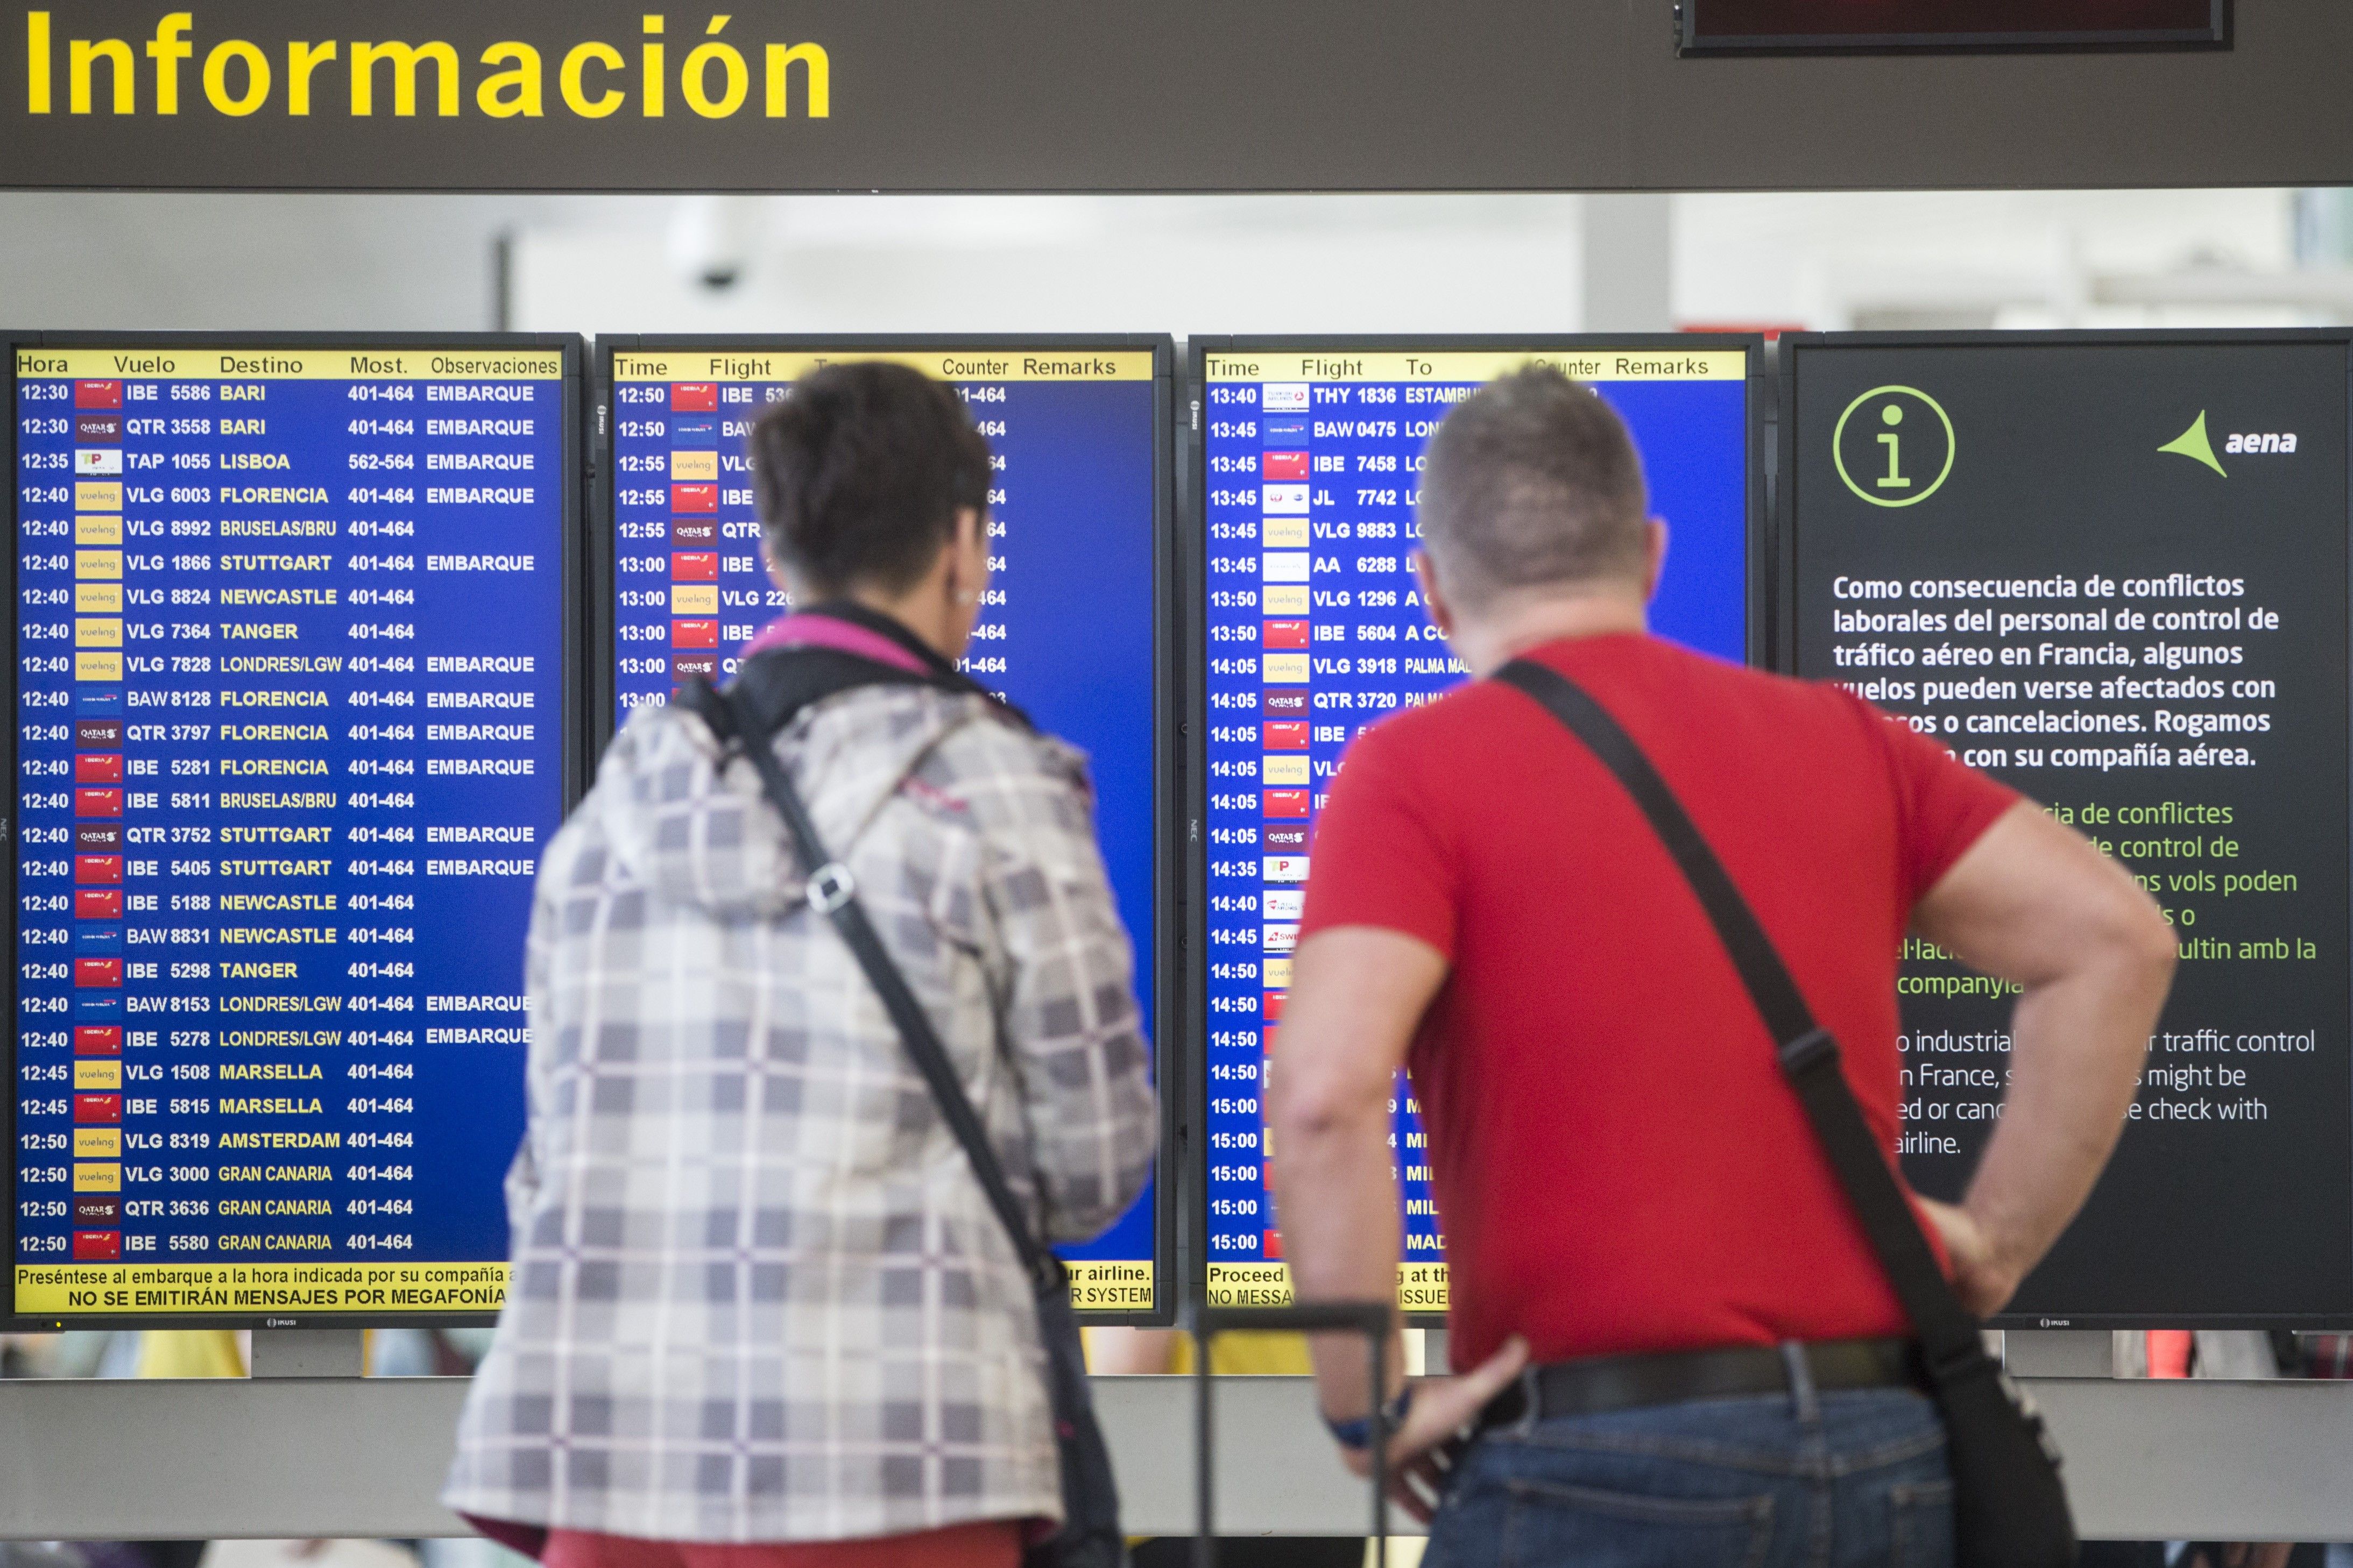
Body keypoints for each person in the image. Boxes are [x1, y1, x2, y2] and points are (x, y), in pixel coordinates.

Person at [1266, 366, 2178, 1567]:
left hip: (1598, 1468)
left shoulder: (1410, 775)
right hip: (1887, 1453)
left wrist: (1365, 1400)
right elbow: (2119, 939)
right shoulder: (1848, 741)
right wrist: (1996, 1245)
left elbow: (1324, 1096)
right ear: (1649, 556)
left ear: (1431, 591)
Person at [444, 361, 1158, 1568]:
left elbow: (548, 1167)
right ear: (966, 545)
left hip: (612, 1474)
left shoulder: (610, 814)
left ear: (778, 551)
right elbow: (1095, 1167)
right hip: (896, 1466)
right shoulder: (998, 790)